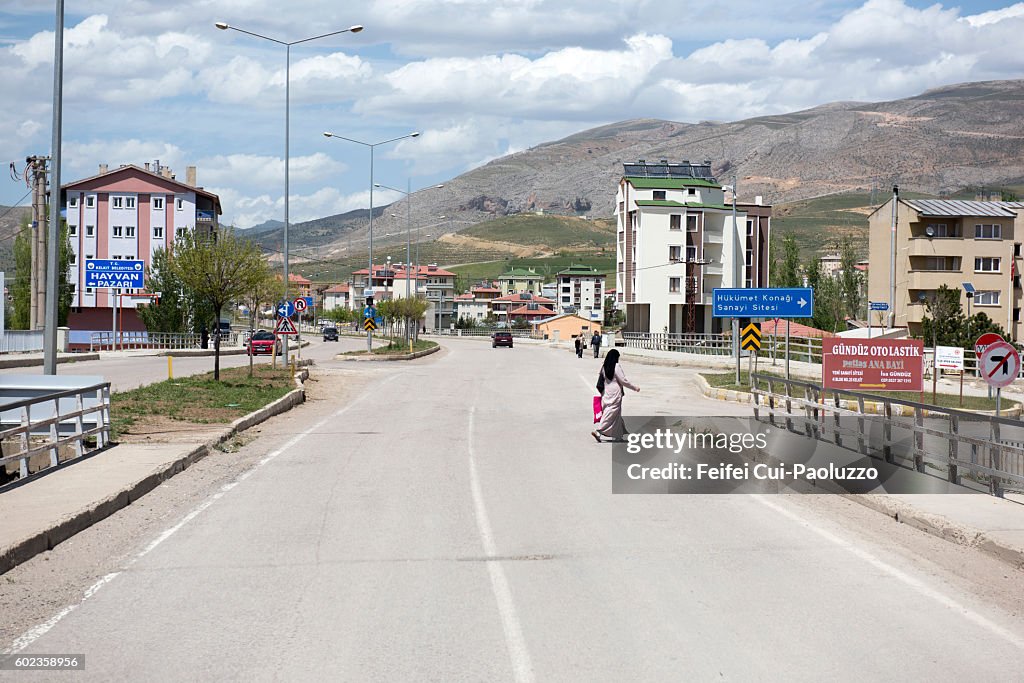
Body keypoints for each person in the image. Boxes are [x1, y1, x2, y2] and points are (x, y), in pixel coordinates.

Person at [592, 349, 639, 443]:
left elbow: (601, 381)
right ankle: (599, 431)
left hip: (606, 393)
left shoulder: (604, 367)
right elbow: (623, 380)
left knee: (616, 414)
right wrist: (634, 387)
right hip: (615, 393)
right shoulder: (616, 366)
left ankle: (618, 435)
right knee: (611, 413)